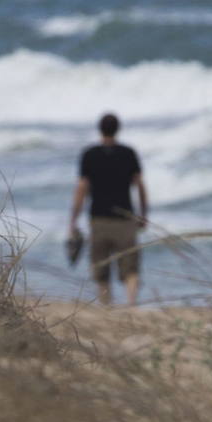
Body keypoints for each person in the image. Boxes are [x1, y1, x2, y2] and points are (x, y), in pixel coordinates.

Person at [69, 113, 149, 306]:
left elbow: (81, 189)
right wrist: (143, 214)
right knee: (130, 268)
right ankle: (131, 305)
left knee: (101, 268)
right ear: (118, 129)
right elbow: (140, 185)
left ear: (100, 129)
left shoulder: (90, 154)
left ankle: (106, 307)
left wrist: (73, 220)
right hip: (125, 218)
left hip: (99, 219)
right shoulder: (128, 153)